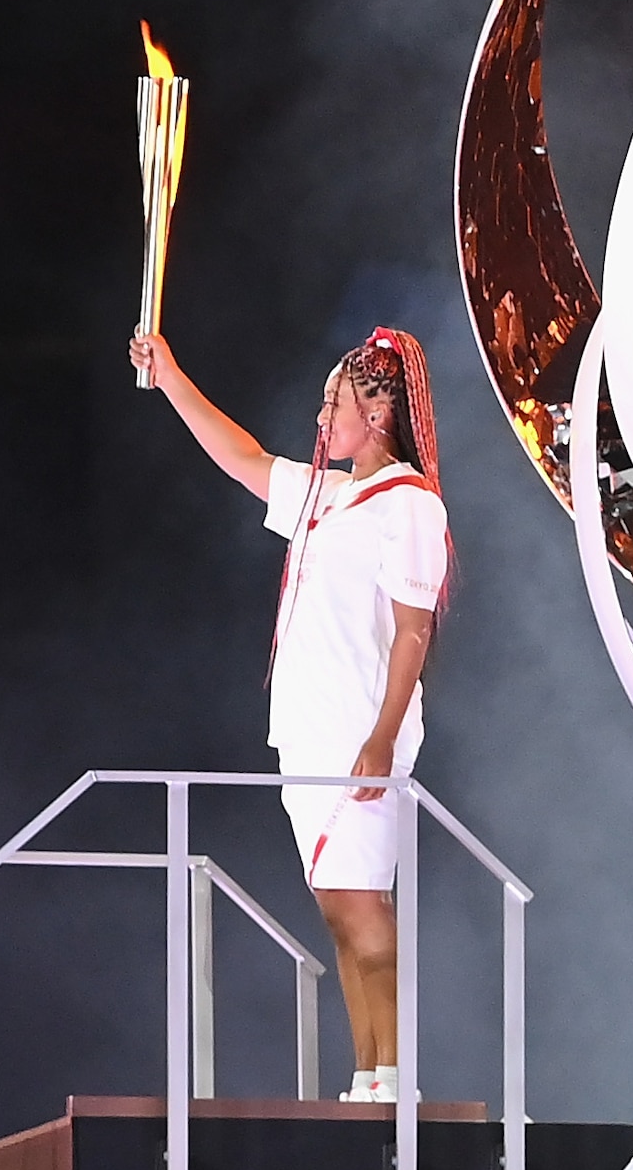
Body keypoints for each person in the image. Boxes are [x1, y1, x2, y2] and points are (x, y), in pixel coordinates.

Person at [128, 320, 450, 1102]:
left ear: (378, 413)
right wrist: (169, 374)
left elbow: (413, 631)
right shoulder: (330, 495)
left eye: (332, 404)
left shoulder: (408, 506)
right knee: (339, 909)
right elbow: (240, 457)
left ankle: (395, 1076)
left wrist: (379, 738)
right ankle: (369, 1072)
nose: (319, 420)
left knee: (363, 907)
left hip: (358, 733)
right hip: (307, 727)